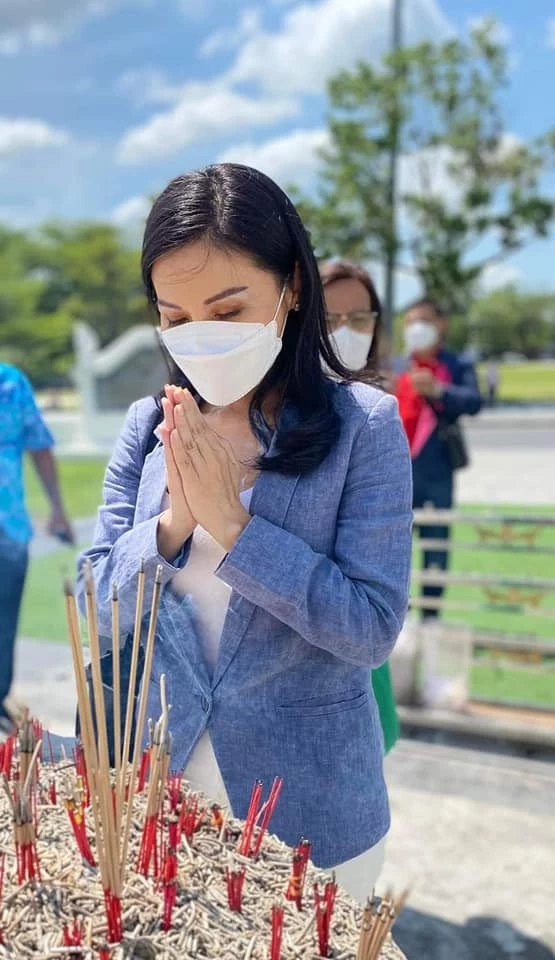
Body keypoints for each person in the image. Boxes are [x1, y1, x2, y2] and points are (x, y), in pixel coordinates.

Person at [77, 164, 413, 899]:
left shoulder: (364, 428)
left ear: (291, 287)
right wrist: (172, 525)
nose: (202, 339)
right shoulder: (148, 427)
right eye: (176, 318)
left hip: (312, 814)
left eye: (228, 311)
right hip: (156, 801)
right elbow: (93, 610)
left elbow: (369, 630)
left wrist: (234, 526)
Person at [320, 259, 399, 755]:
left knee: (369, 741)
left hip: (359, 612)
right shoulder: (273, 410)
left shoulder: (379, 411)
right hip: (303, 620)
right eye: (330, 318)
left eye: (360, 318)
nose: (345, 331)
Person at [396, 298, 482, 619]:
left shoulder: (456, 364)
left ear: (441, 324)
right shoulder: (397, 366)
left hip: (437, 472)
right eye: (409, 322)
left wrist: (440, 391)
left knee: (436, 543)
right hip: (396, 472)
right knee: (393, 546)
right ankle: (395, 618)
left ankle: (431, 616)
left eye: (423, 321)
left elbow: (474, 401)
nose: (415, 329)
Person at [0, 362, 74, 729]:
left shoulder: (11, 384)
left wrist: (58, 510)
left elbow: (40, 446)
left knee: (5, 620)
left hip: (9, 525)